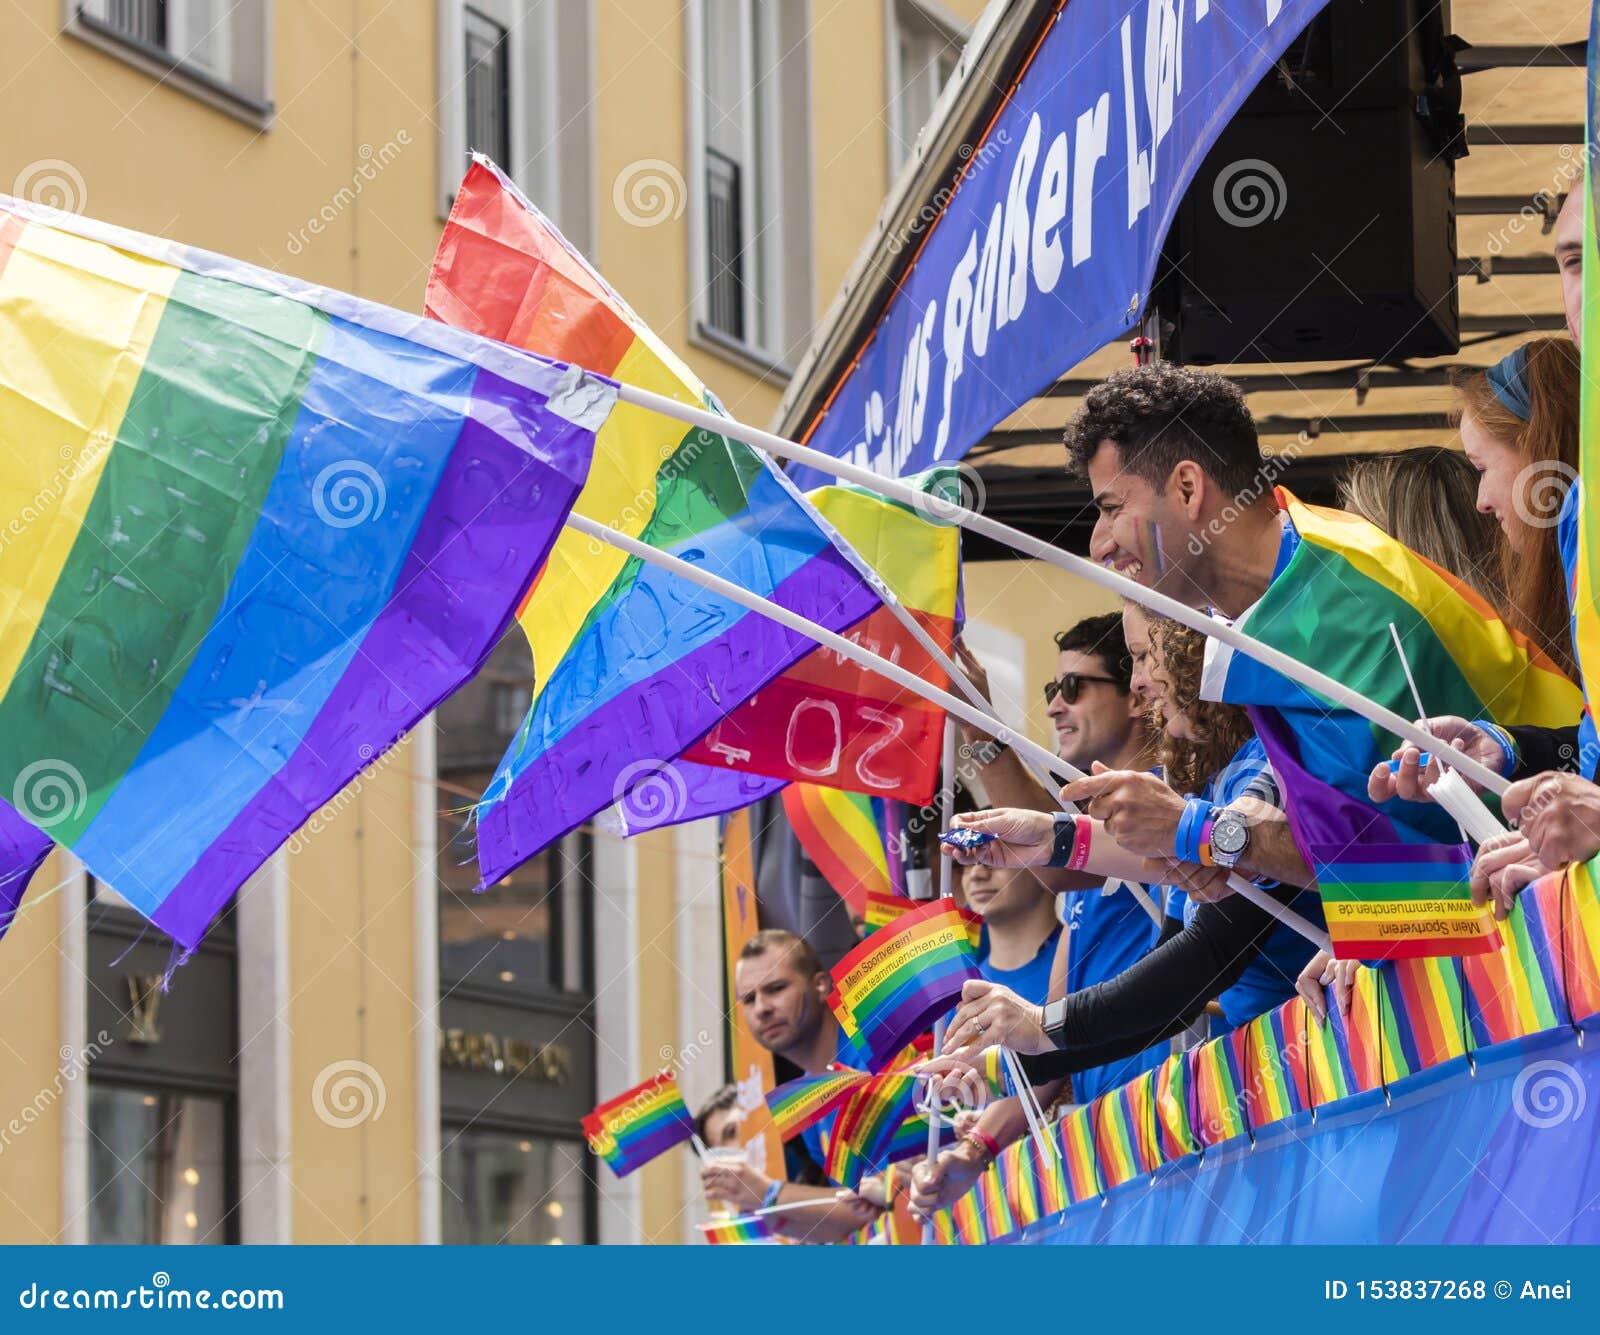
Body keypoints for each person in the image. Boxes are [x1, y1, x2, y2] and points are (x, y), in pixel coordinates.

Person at [955, 613, 1172, 1100]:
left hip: (1183, 1106)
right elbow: (1052, 1029)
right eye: (1053, 686)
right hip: (1115, 1130)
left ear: (1136, 695)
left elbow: (1056, 858)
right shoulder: (1094, 825)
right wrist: (971, 1143)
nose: (1054, 706)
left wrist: (980, 730)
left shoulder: (1173, 799)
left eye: (1073, 686)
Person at [698, 930, 878, 1242]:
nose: (762, 1009)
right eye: (749, 999)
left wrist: (768, 1193)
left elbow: (888, 1196)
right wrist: (765, 1217)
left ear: (820, 985)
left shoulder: (873, 1055)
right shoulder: (803, 1099)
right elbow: (850, 1218)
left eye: (776, 989)